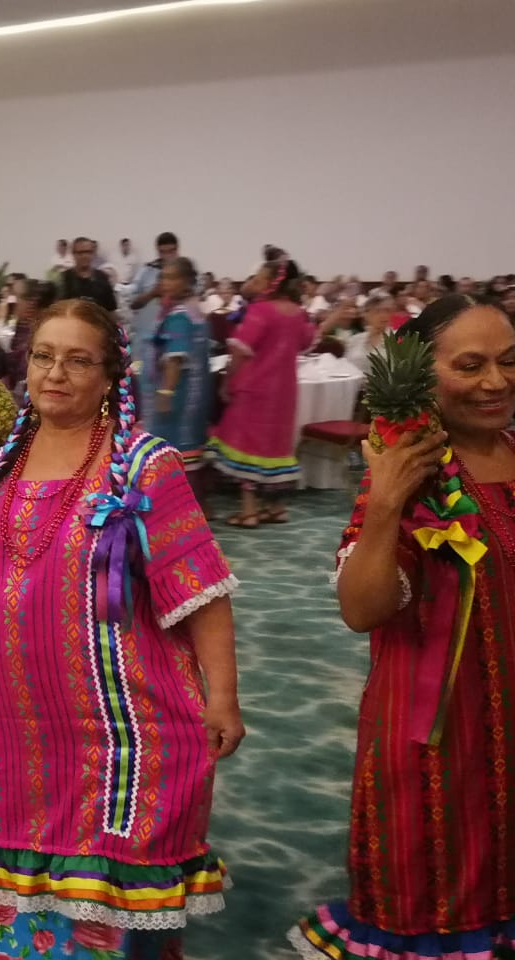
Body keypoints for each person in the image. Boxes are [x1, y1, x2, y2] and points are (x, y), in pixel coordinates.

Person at [0, 297, 243, 959]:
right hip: (3, 724)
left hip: (116, 729)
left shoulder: (142, 466)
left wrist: (222, 698)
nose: (55, 373)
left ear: (109, 377)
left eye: (78, 360)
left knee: (101, 907)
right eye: (43, 356)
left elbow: (203, 592)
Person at [292, 294, 515, 960]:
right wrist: (387, 501)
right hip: (438, 738)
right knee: (436, 904)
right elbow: (362, 610)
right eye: (470, 365)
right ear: (422, 374)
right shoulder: (415, 473)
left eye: (508, 362)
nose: (496, 382)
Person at [208, 257, 317, 526]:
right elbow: (306, 342)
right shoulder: (297, 312)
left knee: (246, 443)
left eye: (257, 278)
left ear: (270, 284)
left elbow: (240, 351)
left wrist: (226, 382)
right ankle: (276, 506)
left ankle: (249, 511)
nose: (252, 283)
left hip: (255, 388)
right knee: (274, 445)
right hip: (284, 392)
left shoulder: (261, 311)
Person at [149, 256, 212, 477]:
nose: (165, 282)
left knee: (177, 448)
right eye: (163, 277)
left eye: (171, 278)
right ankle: (200, 506)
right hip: (197, 391)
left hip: (179, 393)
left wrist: (165, 393)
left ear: (186, 281)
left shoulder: (179, 316)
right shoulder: (195, 309)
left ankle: (181, 505)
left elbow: (175, 358)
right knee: (191, 445)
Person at [130, 232, 182, 417]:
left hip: (176, 342)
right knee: (147, 396)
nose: (168, 255)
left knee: (173, 392)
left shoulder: (186, 273)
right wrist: (153, 293)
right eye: (163, 251)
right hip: (147, 342)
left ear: (177, 249)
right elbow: (132, 303)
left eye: (172, 251)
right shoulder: (146, 272)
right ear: (158, 251)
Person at [60, 237, 118, 310]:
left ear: (93, 253)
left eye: (88, 252)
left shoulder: (102, 277)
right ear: (73, 254)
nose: (84, 256)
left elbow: (111, 309)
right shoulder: (65, 279)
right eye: (80, 253)